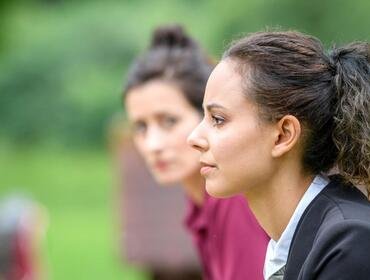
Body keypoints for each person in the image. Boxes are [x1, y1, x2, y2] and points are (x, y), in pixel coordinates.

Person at [188, 30, 370, 279]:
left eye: (218, 120)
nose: (194, 138)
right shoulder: (292, 244)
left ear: (283, 135)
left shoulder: (348, 245)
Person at [123, 25, 269, 280]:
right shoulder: (201, 200)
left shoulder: (233, 198)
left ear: (209, 116)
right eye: (140, 127)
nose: (153, 145)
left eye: (169, 121)